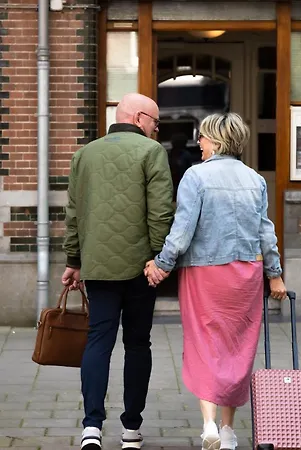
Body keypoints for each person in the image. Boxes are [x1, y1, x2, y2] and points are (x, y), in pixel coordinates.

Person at [144, 112, 287, 450]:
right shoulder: (255, 179)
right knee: (238, 349)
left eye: (204, 137)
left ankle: (208, 424)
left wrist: (162, 264)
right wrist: (275, 274)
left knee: (204, 344)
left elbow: (182, 230)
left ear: (218, 141)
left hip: (204, 274)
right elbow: (266, 232)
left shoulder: (195, 176)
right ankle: (228, 431)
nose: (200, 143)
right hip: (246, 274)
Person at [61, 93, 174, 450]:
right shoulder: (152, 152)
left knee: (98, 340)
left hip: (98, 266)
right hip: (141, 268)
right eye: (155, 121)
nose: (157, 129)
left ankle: (91, 428)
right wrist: (159, 258)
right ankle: (131, 430)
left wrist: (74, 260)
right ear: (139, 118)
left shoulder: (85, 154)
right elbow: (160, 212)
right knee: (137, 343)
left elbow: (73, 213)